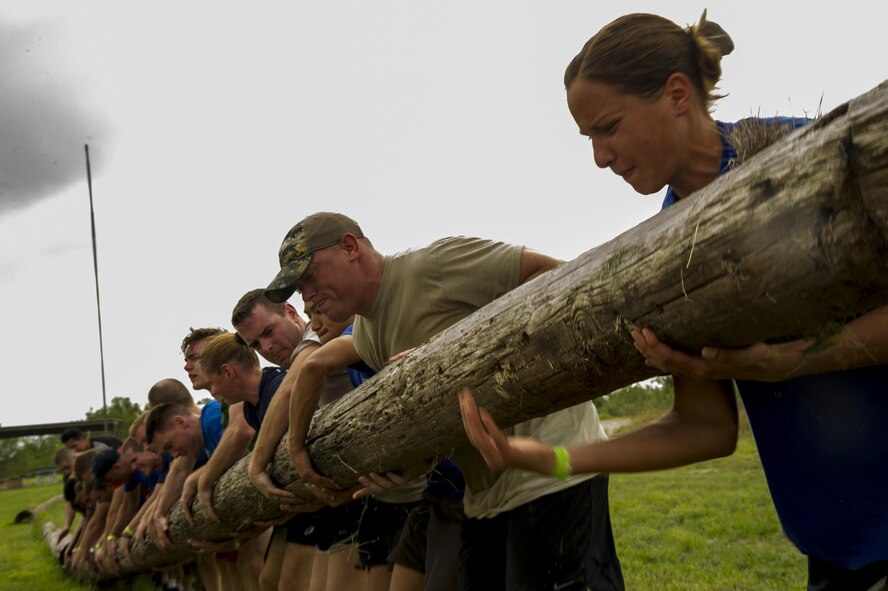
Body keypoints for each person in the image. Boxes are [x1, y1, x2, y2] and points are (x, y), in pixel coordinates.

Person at [459, 11, 888, 591]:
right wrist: (554, 459)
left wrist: (791, 361)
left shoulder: (806, 151)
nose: (599, 157)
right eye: (589, 138)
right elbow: (704, 426)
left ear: (677, 94)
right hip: (836, 547)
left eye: (608, 127)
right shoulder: (663, 252)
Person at [265, 211, 622, 590]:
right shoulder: (368, 336)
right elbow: (447, 415)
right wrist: (413, 466)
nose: (308, 295)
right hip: (484, 495)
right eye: (300, 288)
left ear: (350, 247)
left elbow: (557, 277)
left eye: (309, 277)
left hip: (550, 468)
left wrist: (448, 351)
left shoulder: (433, 265)